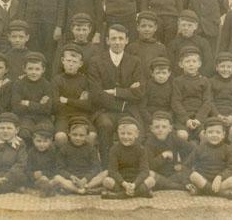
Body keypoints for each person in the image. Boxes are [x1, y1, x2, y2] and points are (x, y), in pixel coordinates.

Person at [88, 24, 143, 168]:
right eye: (113, 38)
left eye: (120, 38)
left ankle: (130, 170)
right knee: (105, 125)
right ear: (107, 40)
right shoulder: (96, 61)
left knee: (133, 127)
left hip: (129, 110)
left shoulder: (135, 61)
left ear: (127, 40)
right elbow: (95, 94)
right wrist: (126, 95)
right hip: (104, 110)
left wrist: (116, 92)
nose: (117, 42)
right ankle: (107, 170)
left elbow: (140, 92)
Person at [185, 118, 232, 201]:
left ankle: (202, 191)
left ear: (223, 134)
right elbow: (187, 165)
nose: (214, 135)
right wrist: (187, 181)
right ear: (205, 134)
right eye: (210, 132)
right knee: (194, 176)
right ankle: (223, 194)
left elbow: (231, 168)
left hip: (220, 180)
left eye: (218, 132)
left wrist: (220, 176)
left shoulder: (228, 149)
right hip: (204, 178)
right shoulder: (199, 148)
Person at [101, 116, 155, 199]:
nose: (126, 137)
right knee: (107, 181)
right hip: (121, 180)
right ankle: (140, 193)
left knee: (151, 180)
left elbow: (144, 171)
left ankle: (120, 195)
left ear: (136, 134)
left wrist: (134, 184)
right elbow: (113, 171)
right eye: (122, 133)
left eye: (129, 134)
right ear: (118, 134)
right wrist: (124, 184)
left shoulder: (141, 149)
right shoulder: (114, 149)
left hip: (136, 180)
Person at [52, 43, 94, 147]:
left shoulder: (85, 81)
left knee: (91, 135)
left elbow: (88, 105)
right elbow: (56, 105)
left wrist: (67, 101)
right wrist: (79, 102)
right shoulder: (57, 80)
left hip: (82, 116)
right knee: (60, 137)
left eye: (74, 62)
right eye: (68, 61)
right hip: (63, 117)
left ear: (80, 64)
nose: (71, 64)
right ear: (63, 61)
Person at [53, 117, 107, 195]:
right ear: (69, 133)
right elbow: (59, 168)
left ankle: (84, 187)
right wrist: (71, 177)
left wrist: (86, 179)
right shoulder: (64, 149)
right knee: (57, 178)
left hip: (87, 179)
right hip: (72, 179)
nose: (78, 138)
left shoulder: (91, 149)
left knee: (105, 173)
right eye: (75, 135)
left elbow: (96, 167)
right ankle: (81, 190)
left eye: (81, 135)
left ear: (86, 136)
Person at [171, 46, 212, 142]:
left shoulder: (205, 81)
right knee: (182, 135)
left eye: (194, 61)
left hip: (200, 118)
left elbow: (207, 102)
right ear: (181, 64)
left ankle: (203, 156)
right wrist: (186, 120)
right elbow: (176, 102)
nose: (191, 64)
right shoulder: (178, 81)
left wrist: (199, 119)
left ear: (199, 64)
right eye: (187, 61)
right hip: (183, 119)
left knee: (205, 136)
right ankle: (182, 157)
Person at [11, 52, 53, 146]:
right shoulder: (19, 84)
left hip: (43, 118)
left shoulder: (46, 85)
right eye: (30, 69)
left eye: (37, 69)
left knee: (46, 131)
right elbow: (16, 107)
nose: (34, 72)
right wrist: (39, 105)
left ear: (43, 70)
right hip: (25, 117)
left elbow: (47, 109)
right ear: (24, 69)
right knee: (24, 132)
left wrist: (28, 103)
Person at [145, 111, 194, 191]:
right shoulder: (149, 143)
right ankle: (179, 187)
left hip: (174, 173)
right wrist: (163, 156)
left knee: (191, 173)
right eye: (157, 127)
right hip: (158, 174)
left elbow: (192, 150)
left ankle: (165, 185)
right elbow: (150, 165)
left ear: (170, 129)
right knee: (149, 174)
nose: (160, 130)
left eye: (164, 127)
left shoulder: (174, 138)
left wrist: (182, 165)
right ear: (151, 129)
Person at [210, 52, 232, 142]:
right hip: (216, 115)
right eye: (222, 66)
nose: (225, 69)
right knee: (215, 131)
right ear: (217, 67)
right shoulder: (211, 82)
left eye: (229, 67)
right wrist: (218, 115)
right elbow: (209, 101)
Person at [168, 10, 214, 77]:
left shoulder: (203, 42)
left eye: (189, 25)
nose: (186, 28)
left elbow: (209, 63)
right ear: (179, 25)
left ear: (195, 26)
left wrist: (201, 77)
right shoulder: (173, 44)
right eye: (183, 25)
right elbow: (171, 65)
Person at [126, 10, 167, 80]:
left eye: (150, 26)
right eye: (143, 26)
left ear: (155, 28)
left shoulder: (161, 48)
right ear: (138, 27)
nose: (147, 29)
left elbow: (164, 69)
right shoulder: (131, 47)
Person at [139, 57, 173, 131]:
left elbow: (173, 106)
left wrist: (168, 118)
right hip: (150, 116)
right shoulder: (147, 86)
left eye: (164, 73)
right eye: (158, 73)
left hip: (166, 116)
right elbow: (142, 107)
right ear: (152, 73)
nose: (161, 76)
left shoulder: (172, 86)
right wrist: (151, 120)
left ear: (169, 73)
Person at [27, 122, 58, 197]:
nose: (41, 144)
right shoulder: (31, 152)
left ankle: (47, 189)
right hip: (35, 179)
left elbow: (55, 168)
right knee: (39, 180)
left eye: (45, 141)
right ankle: (46, 189)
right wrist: (33, 175)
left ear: (50, 141)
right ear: (33, 140)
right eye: (38, 141)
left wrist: (44, 173)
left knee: (56, 179)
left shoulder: (53, 152)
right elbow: (27, 168)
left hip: (49, 177)